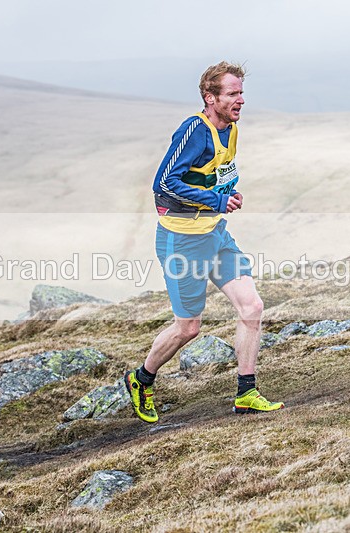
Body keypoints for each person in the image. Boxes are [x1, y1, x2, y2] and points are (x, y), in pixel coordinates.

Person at [124, 61, 285, 423]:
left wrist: (227, 193)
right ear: (209, 98)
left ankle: (246, 393)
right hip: (182, 242)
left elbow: (210, 176)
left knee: (252, 308)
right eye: (232, 94)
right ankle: (141, 378)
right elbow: (163, 183)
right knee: (189, 328)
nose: (240, 100)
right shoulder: (194, 131)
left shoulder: (230, 129)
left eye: (242, 92)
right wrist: (215, 200)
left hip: (215, 235)